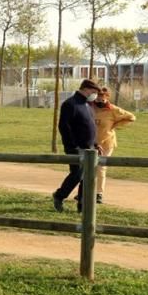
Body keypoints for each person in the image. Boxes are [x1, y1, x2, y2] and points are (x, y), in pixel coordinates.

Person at [52, 79, 103, 212]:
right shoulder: (70, 104)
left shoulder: (88, 105)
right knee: (77, 174)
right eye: (93, 92)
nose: (95, 95)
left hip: (89, 148)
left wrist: (96, 144)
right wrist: (72, 146)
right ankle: (59, 196)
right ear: (85, 89)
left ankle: (83, 206)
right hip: (76, 148)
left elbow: (91, 127)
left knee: (87, 177)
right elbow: (64, 127)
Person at [91, 87, 135, 204]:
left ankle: (99, 193)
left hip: (106, 142)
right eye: (98, 97)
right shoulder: (90, 107)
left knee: (101, 167)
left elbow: (131, 117)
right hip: (91, 142)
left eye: (102, 98)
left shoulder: (113, 109)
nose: (100, 100)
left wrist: (115, 124)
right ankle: (85, 192)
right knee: (88, 167)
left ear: (107, 98)